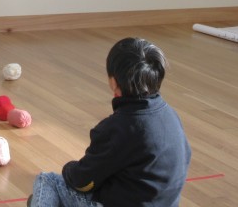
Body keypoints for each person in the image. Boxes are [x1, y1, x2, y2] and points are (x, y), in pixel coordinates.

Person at [28, 38, 191, 207]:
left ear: (113, 82)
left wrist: (69, 169)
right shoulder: (172, 116)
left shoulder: (117, 127)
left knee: (47, 181)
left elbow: (83, 182)